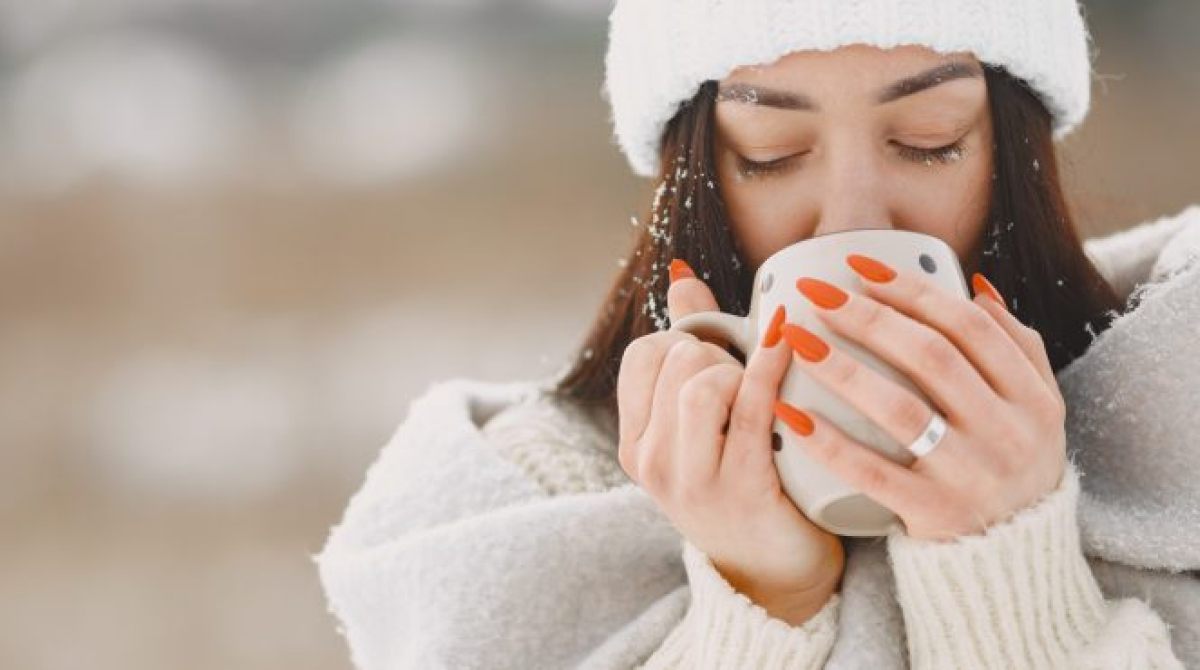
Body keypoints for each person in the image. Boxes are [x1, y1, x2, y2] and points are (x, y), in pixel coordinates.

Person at [314, 1, 1200, 667]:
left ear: (1015, 153)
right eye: (771, 152)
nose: (850, 220)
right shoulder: (542, 502)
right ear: (694, 175)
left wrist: (1012, 575)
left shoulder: (1169, 419)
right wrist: (761, 599)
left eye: (930, 140)